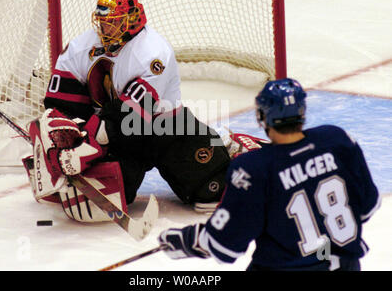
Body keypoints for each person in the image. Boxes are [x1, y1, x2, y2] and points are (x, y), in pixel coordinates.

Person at [23, 0, 263, 222]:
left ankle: (231, 146)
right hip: (115, 138)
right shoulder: (78, 48)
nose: (106, 28)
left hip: (165, 130)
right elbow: (60, 102)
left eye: (114, 21)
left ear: (132, 19)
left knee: (209, 192)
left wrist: (88, 142)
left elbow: (133, 115)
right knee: (103, 197)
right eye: (103, 22)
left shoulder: (152, 52)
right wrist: (67, 139)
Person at [157, 78, 381, 271]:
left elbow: (225, 246)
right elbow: (369, 206)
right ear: (302, 111)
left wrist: (186, 240)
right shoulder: (338, 140)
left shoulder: (253, 169)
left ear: (262, 117)